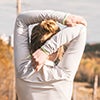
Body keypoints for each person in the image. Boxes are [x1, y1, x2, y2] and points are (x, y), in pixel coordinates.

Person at [14, 10, 87, 100]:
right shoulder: (63, 74)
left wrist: (65, 17)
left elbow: (21, 19)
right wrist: (46, 49)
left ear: (31, 45)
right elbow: (81, 29)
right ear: (58, 49)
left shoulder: (23, 70)